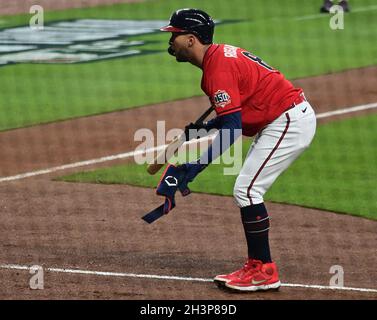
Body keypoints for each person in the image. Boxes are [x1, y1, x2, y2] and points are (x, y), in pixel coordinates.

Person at [159, 8, 317, 292]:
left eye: (174, 36)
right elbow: (233, 114)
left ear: (192, 39)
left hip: (288, 122)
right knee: (246, 189)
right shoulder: (219, 58)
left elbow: (232, 128)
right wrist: (202, 128)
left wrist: (194, 167)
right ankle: (258, 266)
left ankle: (263, 270)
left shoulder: (217, 69)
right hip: (281, 119)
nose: (170, 42)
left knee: (246, 190)